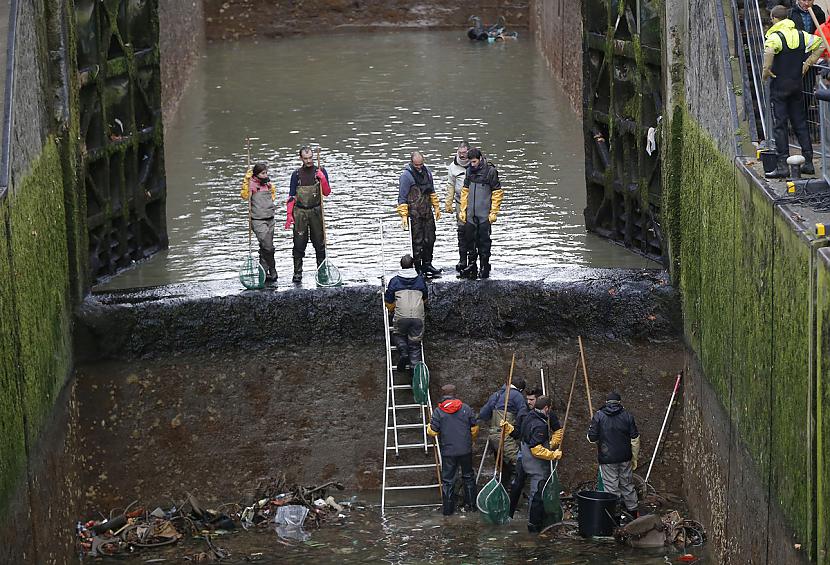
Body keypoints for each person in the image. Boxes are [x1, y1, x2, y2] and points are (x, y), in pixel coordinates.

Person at [763, 5, 823, 178]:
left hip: (780, 86)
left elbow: (769, 51)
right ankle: (809, 162)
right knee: (800, 123)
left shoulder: (775, 36)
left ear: (774, 18)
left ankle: (782, 165)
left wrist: (765, 71)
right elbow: (820, 43)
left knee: (780, 125)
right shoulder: (801, 34)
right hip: (797, 85)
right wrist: (808, 63)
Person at [502, 395, 562, 532]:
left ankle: (529, 521)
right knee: (537, 496)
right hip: (535, 464)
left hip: (526, 460)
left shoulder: (529, 416)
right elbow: (535, 449)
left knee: (533, 492)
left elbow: (521, 434)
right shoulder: (539, 425)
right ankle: (533, 527)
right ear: (546, 408)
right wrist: (552, 455)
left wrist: (552, 443)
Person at [427, 384, 480, 516]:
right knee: (468, 476)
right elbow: (474, 428)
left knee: (448, 480)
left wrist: (429, 426)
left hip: (448, 451)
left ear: (443, 395)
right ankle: (471, 506)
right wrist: (470, 440)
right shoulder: (466, 408)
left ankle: (448, 510)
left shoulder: (438, 412)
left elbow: (433, 432)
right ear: (455, 394)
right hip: (465, 449)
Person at [587, 392, 641, 518]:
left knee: (611, 488)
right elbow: (635, 439)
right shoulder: (627, 416)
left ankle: (614, 518)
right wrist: (634, 458)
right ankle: (634, 514)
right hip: (625, 457)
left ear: (606, 403)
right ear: (620, 403)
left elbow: (592, 438)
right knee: (627, 485)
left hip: (607, 459)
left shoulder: (599, 416)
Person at [285, 146, 331, 283]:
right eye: (306, 158)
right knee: (299, 244)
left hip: (316, 211)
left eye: (311, 158)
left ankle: (322, 272)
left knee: (319, 243)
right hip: (300, 212)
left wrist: (322, 180)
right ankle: (297, 273)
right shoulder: (296, 174)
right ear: (301, 159)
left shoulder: (320, 171)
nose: (309, 161)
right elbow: (291, 195)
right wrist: (289, 214)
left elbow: (327, 193)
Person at [458, 148, 503, 279]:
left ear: (480, 159)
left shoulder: (490, 171)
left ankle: (484, 265)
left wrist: (494, 211)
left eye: (474, 162)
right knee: (470, 241)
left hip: (484, 214)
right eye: (470, 162)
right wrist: (463, 210)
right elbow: (465, 191)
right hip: (471, 214)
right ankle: (472, 264)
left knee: (484, 241)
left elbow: (497, 193)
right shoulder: (468, 171)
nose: (472, 165)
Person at [397, 151, 442, 278]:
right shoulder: (406, 176)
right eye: (416, 165)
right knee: (418, 242)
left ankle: (428, 264)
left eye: (421, 164)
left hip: (427, 212)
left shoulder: (427, 172)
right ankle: (418, 268)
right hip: (415, 214)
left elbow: (432, 191)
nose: (419, 167)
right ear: (412, 163)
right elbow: (402, 197)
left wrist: (436, 206)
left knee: (430, 239)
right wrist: (404, 216)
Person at [478, 377, 527, 488]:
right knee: (519, 463)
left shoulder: (496, 395)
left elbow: (483, 414)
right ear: (520, 389)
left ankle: (504, 490)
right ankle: (514, 492)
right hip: (505, 436)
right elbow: (523, 413)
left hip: (493, 436)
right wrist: (519, 429)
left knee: (503, 467)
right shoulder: (517, 396)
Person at [383, 254, 428, 371]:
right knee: (415, 344)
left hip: (401, 317)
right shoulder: (420, 280)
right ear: (413, 265)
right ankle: (415, 372)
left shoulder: (394, 281)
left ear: (401, 266)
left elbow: (388, 301)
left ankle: (403, 352)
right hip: (418, 317)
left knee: (398, 335)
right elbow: (425, 299)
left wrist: (393, 309)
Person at [240, 162, 277, 283]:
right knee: (268, 246)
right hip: (258, 220)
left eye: (266, 172)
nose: (265, 175)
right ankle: (272, 269)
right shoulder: (251, 185)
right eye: (263, 173)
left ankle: (263, 273)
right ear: (256, 174)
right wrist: (246, 181)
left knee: (265, 247)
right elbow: (244, 196)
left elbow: (273, 197)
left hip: (270, 218)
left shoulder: (269, 185)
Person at [508, 387, 541, 518]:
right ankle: (509, 513)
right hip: (525, 451)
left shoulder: (545, 413)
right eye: (527, 399)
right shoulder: (523, 412)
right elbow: (517, 433)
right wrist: (510, 430)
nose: (529, 402)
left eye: (532, 399)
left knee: (538, 484)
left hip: (540, 452)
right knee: (518, 482)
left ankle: (535, 515)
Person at [444, 142, 470, 273]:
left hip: (475, 203)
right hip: (460, 203)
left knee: (474, 232)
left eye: (464, 153)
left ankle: (473, 261)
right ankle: (462, 259)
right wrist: (448, 203)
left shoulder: (476, 163)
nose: (462, 155)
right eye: (460, 153)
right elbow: (450, 185)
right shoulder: (453, 167)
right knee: (462, 231)